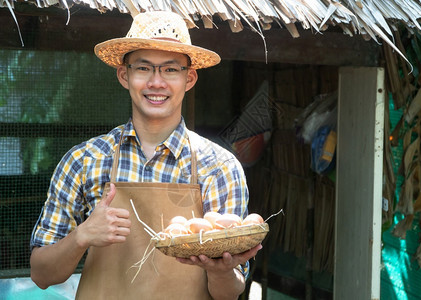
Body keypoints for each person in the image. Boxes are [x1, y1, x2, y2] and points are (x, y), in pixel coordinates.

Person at [29, 10, 261, 299]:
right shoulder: (84, 161)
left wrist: (220, 269)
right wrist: (83, 235)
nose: (156, 82)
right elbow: (40, 275)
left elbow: (229, 293)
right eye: (143, 68)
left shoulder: (219, 168)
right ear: (124, 75)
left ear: (189, 79)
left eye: (170, 69)